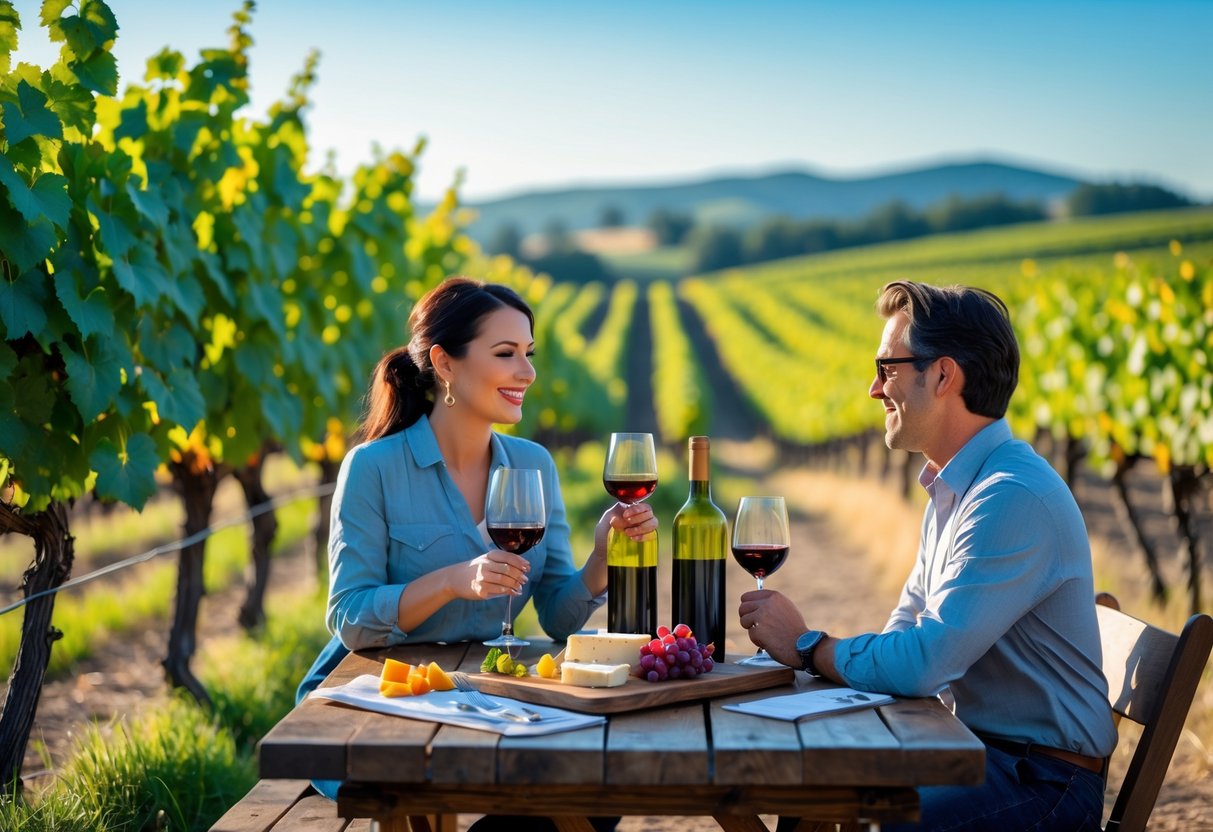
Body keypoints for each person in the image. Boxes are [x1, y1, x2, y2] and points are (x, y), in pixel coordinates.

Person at [739, 280, 1117, 832]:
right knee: (816, 787)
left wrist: (809, 646)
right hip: (978, 753)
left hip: (1040, 785)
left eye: (887, 368)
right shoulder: (955, 489)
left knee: (866, 815)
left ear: (942, 375)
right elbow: (906, 633)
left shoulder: (1010, 496)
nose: (874, 389)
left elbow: (924, 662)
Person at [297, 276, 653, 831]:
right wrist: (451, 580)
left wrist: (601, 558)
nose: (527, 373)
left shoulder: (533, 465)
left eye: (529, 354)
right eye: (506, 353)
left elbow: (559, 616)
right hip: (378, 694)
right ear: (445, 363)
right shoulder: (373, 468)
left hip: (480, 693)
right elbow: (350, 618)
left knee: (597, 785)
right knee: (410, 787)